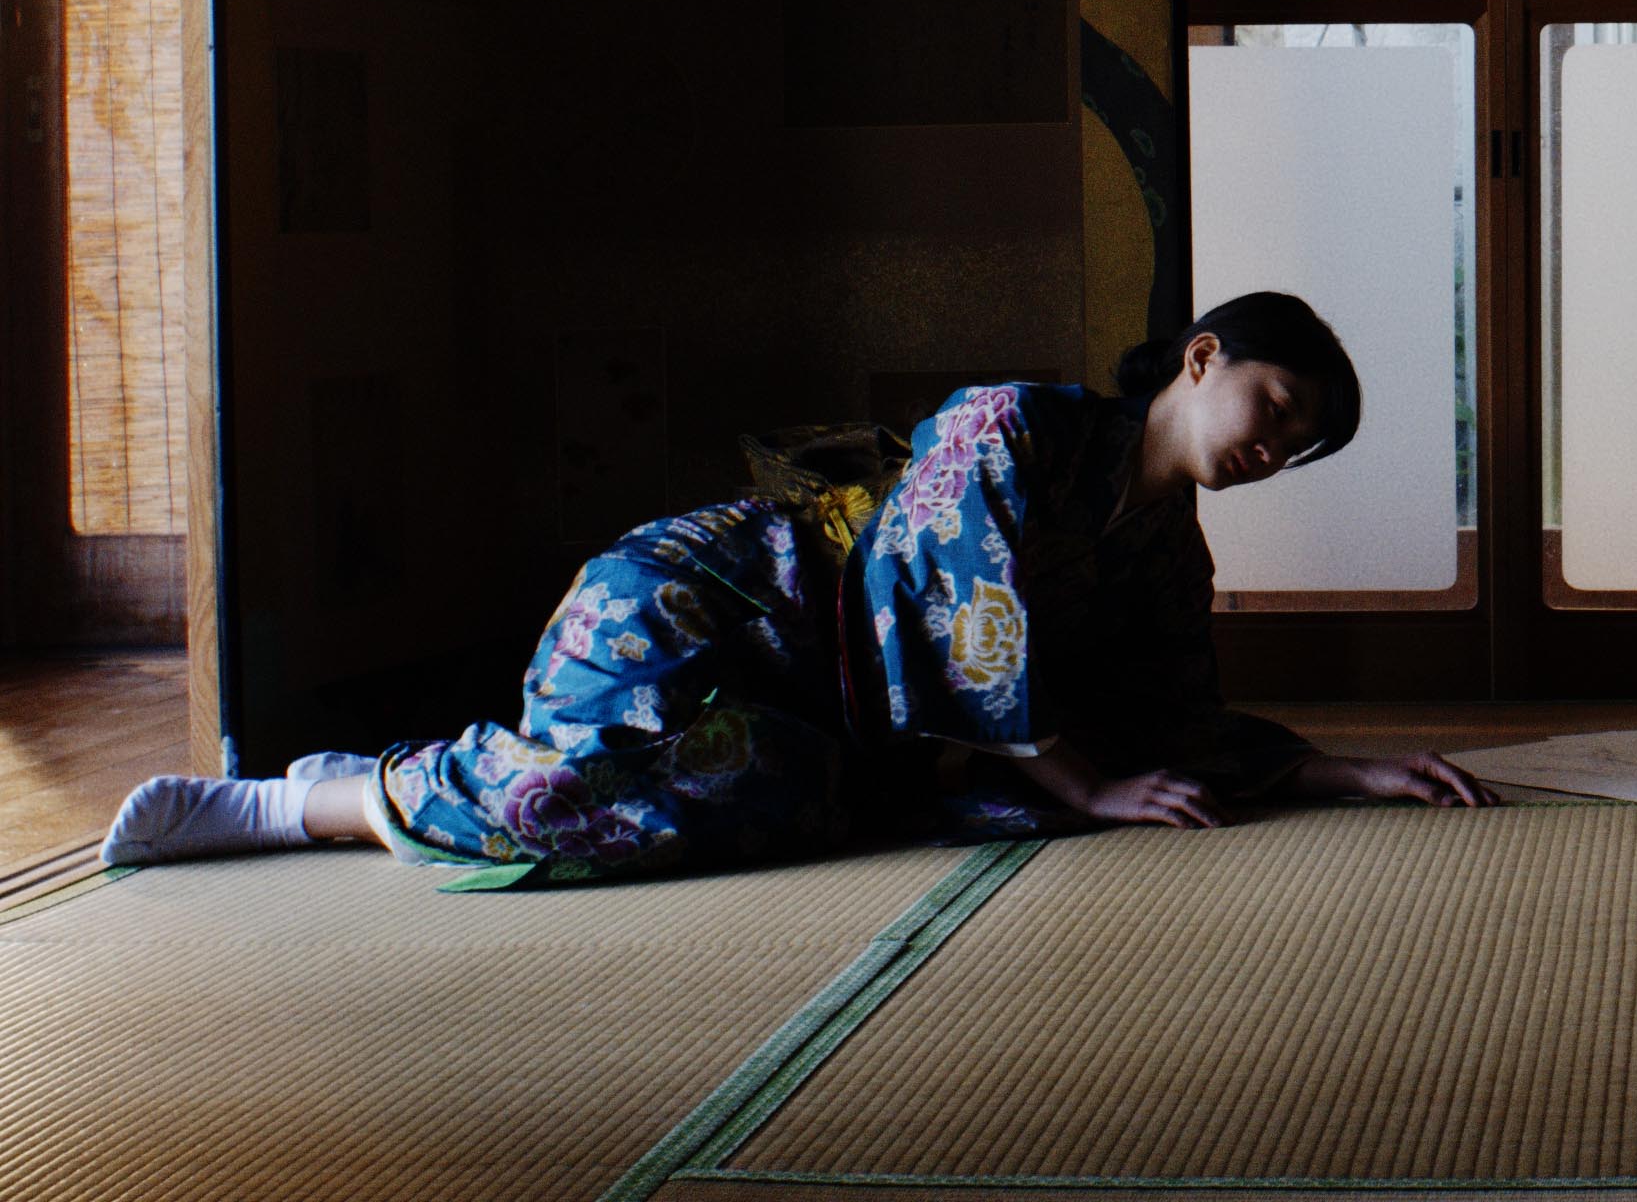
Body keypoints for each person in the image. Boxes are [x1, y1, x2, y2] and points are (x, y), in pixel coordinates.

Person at [103, 291, 1489, 883]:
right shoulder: (1010, 426)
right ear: (1201, 358)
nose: (1271, 442)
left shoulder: (1165, 552)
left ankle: (408, 784)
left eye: (1295, 444)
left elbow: (1167, 717)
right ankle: (312, 801)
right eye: (1274, 399)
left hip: (826, 725)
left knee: (768, 808)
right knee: (572, 790)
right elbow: (958, 615)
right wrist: (1075, 779)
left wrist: (1335, 776)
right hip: (718, 602)